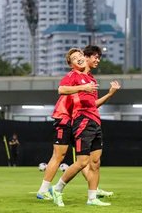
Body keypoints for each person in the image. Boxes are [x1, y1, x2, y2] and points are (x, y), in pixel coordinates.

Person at [36, 47, 117, 202]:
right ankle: (44, 190)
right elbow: (61, 89)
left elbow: (92, 104)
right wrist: (82, 87)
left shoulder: (90, 79)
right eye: (95, 57)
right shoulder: (74, 76)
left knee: (87, 160)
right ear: (86, 58)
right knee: (61, 156)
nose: (97, 60)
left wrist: (109, 94)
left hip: (78, 120)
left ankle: (93, 190)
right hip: (66, 118)